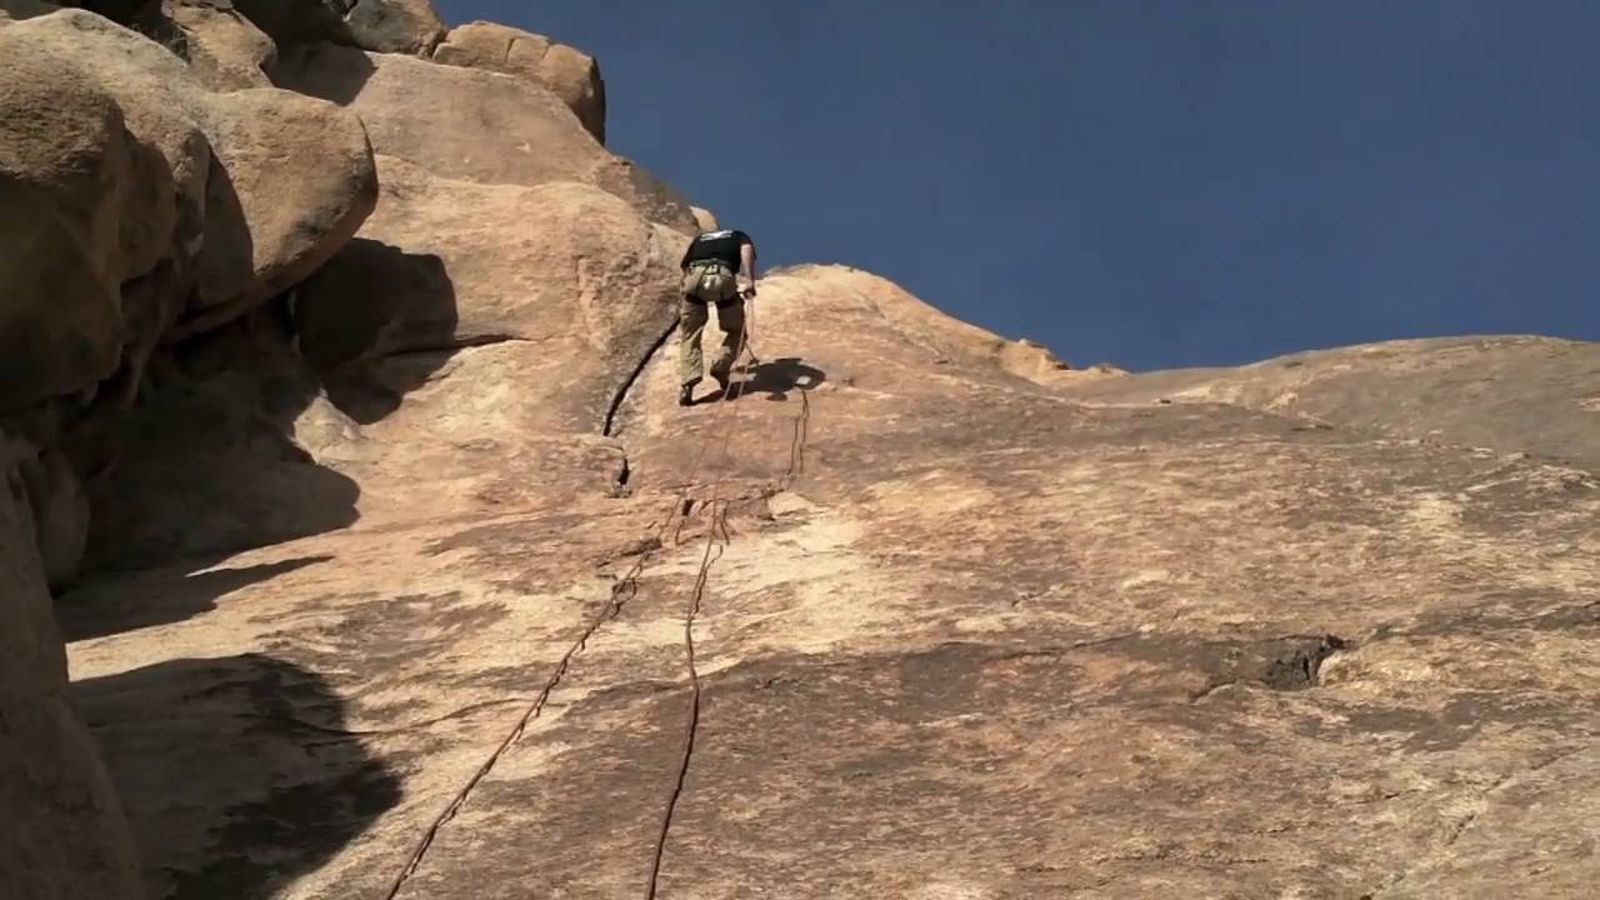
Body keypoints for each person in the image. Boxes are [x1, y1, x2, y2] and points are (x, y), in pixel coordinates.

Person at [677, 227, 757, 406]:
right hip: (722, 278)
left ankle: (688, 383)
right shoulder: (739, 235)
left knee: (690, 334)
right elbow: (747, 250)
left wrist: (685, 292)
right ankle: (720, 367)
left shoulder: (700, 239)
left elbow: (684, 266)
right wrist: (750, 281)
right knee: (737, 331)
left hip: (694, 279)